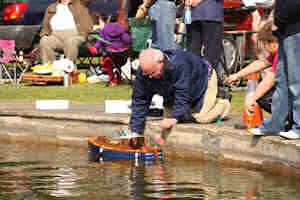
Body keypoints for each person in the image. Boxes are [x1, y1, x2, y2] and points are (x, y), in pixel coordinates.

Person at [126, 48, 231, 138]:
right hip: (175, 91)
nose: (149, 77)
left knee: (201, 117)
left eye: (152, 73)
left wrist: (175, 117)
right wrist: (135, 130)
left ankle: (223, 102)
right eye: (146, 74)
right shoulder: (146, 71)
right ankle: (189, 111)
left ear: (161, 62)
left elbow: (183, 93)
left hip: (204, 79)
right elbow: (140, 100)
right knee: (170, 119)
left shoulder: (179, 64)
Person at [250, 0, 300, 139]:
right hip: (284, 32)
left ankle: (298, 126)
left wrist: (278, 20)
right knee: (281, 81)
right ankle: (274, 125)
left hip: (294, 30)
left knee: (296, 82)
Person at [224, 21, 278, 115]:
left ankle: (290, 121)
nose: (265, 48)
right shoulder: (281, 52)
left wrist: (252, 99)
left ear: (273, 43)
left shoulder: (281, 55)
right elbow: (261, 63)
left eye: (265, 44)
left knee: (265, 97)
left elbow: (269, 80)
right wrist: (238, 75)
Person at [39, 0, 93, 65]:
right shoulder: (52, 7)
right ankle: (49, 68)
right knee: (44, 41)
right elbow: (45, 25)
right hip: (56, 37)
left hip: (77, 35)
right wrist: (44, 34)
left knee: (71, 41)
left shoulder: (80, 3)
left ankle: (68, 69)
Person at [185, 0, 225, 84]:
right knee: (210, 55)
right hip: (209, 14)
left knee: (194, 53)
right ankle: (206, 86)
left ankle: (196, 86)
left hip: (195, 14)